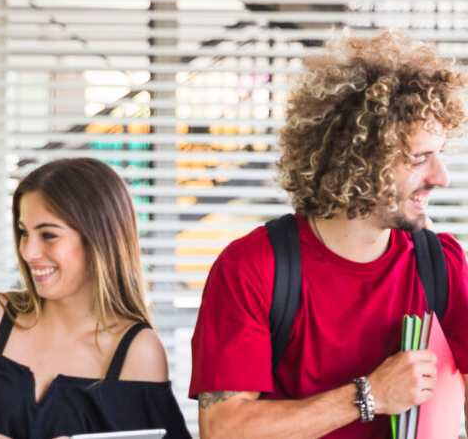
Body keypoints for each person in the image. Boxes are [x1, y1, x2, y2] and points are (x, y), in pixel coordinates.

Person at [189, 29, 468, 438]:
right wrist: (370, 395)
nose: (441, 177)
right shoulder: (251, 268)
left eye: (439, 155)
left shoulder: (443, 265)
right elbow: (223, 428)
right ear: (357, 158)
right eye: (418, 158)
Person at [0, 158, 191, 438]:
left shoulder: (139, 351)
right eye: (24, 232)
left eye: (48, 235)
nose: (28, 252)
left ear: (98, 239)